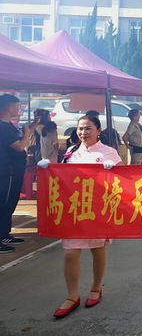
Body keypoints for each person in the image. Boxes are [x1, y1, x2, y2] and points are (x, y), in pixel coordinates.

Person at [38, 115, 122, 318]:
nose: (83, 132)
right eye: (80, 128)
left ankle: (96, 287)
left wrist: (114, 170)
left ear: (98, 130)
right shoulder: (71, 152)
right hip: (74, 210)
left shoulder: (109, 152)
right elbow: (64, 179)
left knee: (97, 248)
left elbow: (124, 182)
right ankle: (72, 295)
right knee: (69, 252)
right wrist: (48, 168)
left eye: (88, 128)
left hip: (98, 210)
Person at [0, 95, 40, 253]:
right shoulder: (2, 127)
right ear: (9, 108)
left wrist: (35, 122)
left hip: (14, 171)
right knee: (4, 204)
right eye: (17, 107)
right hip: (6, 171)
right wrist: (25, 133)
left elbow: (24, 135)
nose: (19, 109)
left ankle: (5, 234)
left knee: (10, 203)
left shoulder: (8, 125)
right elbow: (20, 145)